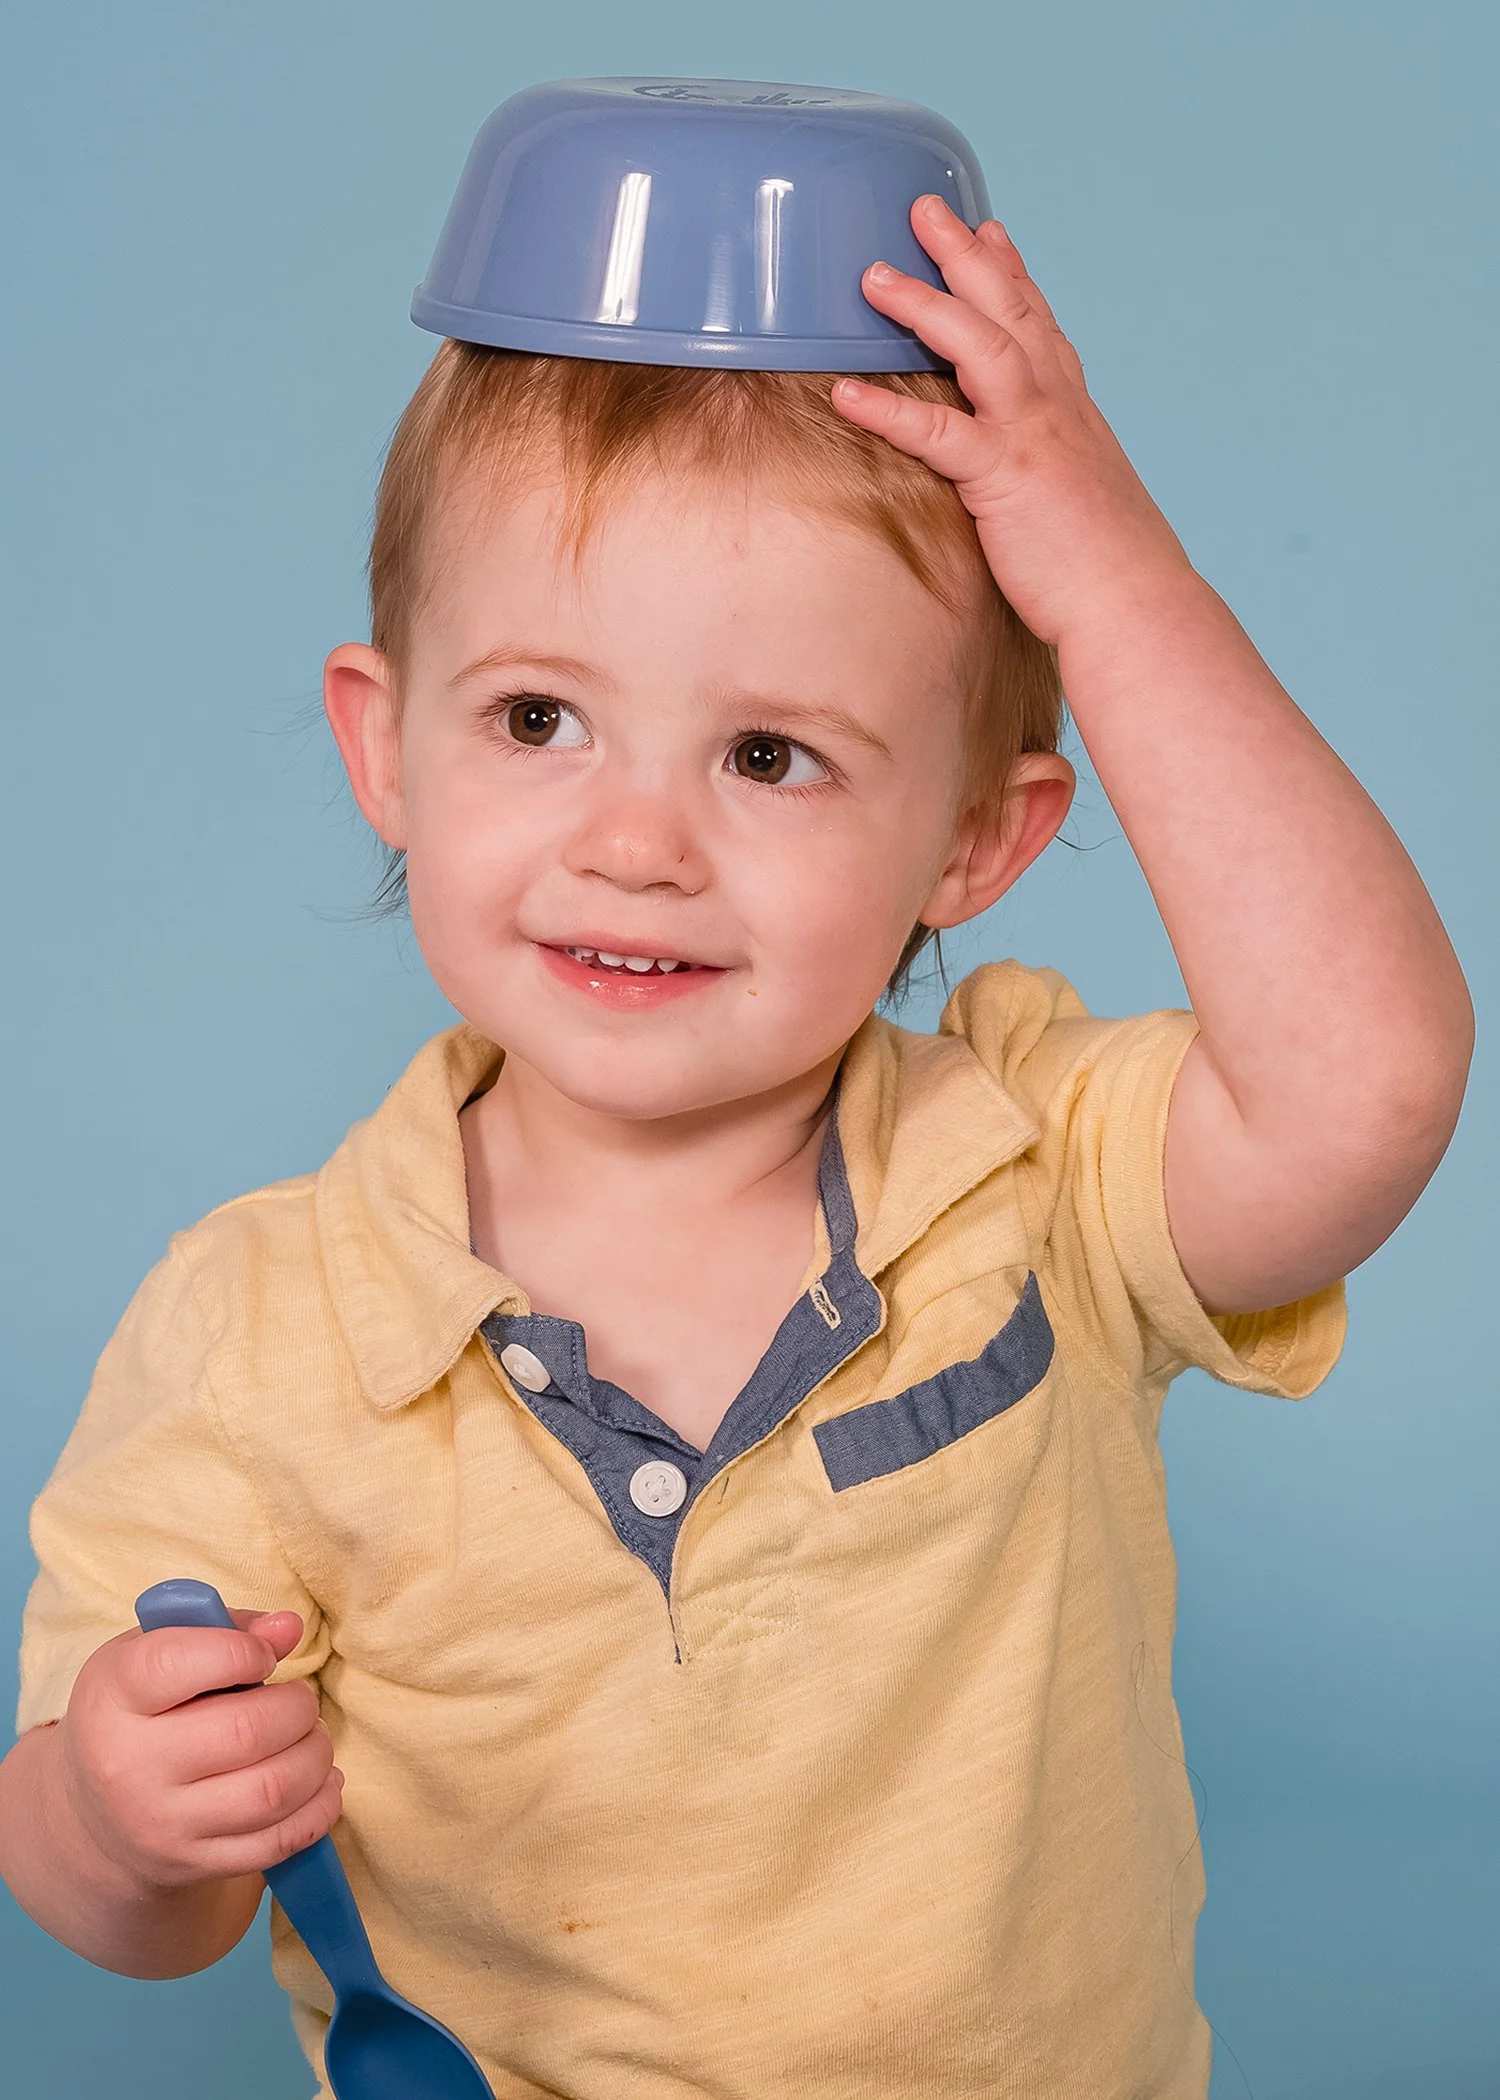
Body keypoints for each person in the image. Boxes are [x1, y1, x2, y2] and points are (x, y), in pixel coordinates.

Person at [0, 195, 1473, 2099]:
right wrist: (116, 1822)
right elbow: (122, 1908)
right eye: (539, 717)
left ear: (971, 843)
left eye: (770, 757)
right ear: (385, 750)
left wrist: (1111, 582)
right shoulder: (259, 1330)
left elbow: (1371, 1080)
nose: (636, 844)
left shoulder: (1025, 1169)